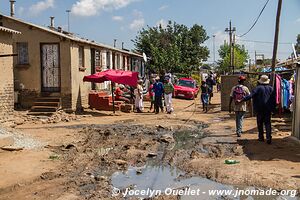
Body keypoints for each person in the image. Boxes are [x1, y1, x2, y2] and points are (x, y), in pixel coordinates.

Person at [239, 75, 275, 144]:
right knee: (268, 123)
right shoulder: (271, 89)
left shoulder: (258, 88)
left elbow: (250, 96)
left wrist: (242, 99)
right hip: (268, 109)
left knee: (260, 123)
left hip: (259, 108)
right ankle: (268, 137)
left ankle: (261, 137)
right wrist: (273, 109)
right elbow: (274, 100)